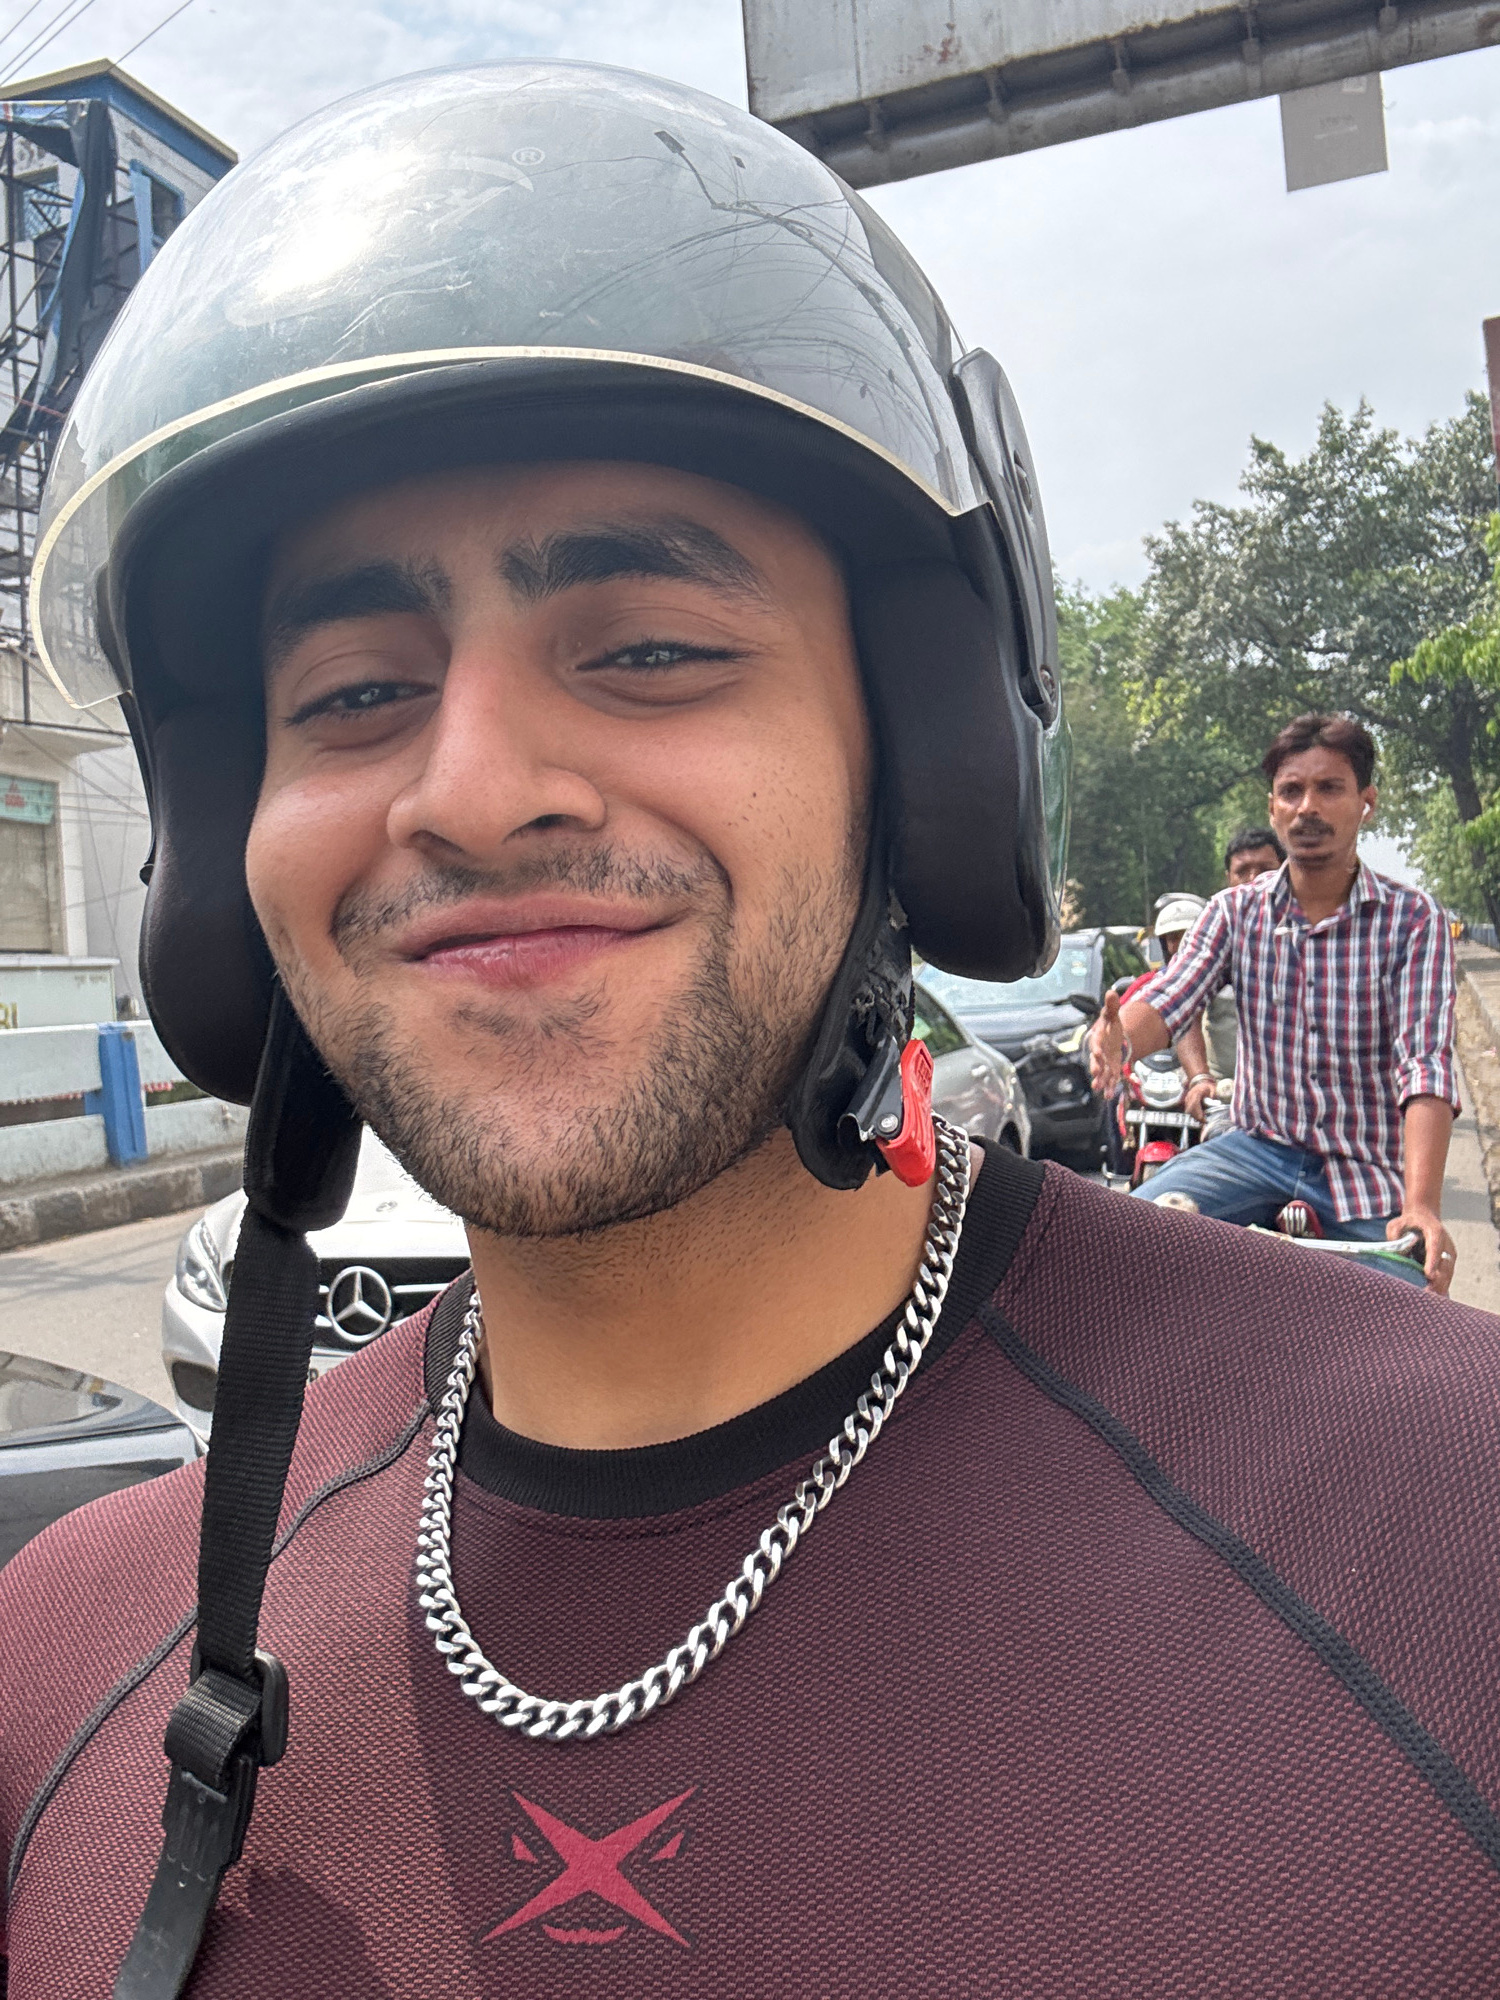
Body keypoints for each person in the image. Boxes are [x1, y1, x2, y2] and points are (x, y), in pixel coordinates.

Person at [5, 65, 1500, 2000]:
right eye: (357, 690)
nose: (473, 792)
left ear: (923, 768)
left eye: (648, 649)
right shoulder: (68, 1668)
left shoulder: (1447, 1543)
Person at [1090, 715, 1459, 1289]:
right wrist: (1119, 1041)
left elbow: (1425, 1064)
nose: (1308, 807)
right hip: (1252, 1150)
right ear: (1272, 809)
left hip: (1363, 1170)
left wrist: (1422, 1206)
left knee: (1405, 1303)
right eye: (1292, 791)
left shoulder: (1414, 920)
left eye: (1329, 788)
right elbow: (1171, 996)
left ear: (1366, 803)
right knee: (1121, 1242)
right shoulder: (1234, 911)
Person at [1174, 828, 1286, 1116]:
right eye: (1242, 871)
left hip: (1291, 1098)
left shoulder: (1307, 928)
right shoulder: (1214, 931)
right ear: (1228, 878)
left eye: (1265, 870)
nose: (1254, 879)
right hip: (1225, 1094)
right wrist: (1199, 1078)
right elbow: (1183, 1008)